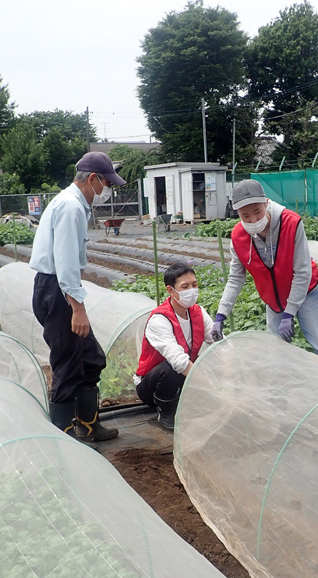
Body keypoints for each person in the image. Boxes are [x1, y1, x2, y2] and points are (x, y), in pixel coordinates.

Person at [30, 152, 124, 443]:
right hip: (56, 290)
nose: (108, 191)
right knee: (68, 364)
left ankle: (87, 422)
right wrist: (78, 310)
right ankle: (64, 436)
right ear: (93, 179)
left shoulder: (73, 204)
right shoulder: (71, 207)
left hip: (57, 289)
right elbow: (66, 263)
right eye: (107, 184)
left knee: (91, 359)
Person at [212, 179, 318, 365]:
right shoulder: (238, 237)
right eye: (245, 216)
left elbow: (302, 271)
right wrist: (221, 314)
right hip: (273, 300)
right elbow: (236, 278)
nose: (253, 220)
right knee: (277, 356)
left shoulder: (291, 223)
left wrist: (290, 313)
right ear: (237, 214)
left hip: (306, 293)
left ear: (266, 203)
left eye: (257, 212)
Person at [134, 262, 215, 431]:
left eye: (194, 285)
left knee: (212, 358)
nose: (192, 290)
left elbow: (218, 343)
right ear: (171, 290)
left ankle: (184, 399)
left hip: (184, 375)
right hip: (151, 385)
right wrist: (210, 386)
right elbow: (179, 362)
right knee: (171, 368)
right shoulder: (159, 320)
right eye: (185, 287)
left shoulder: (198, 312)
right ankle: (165, 410)